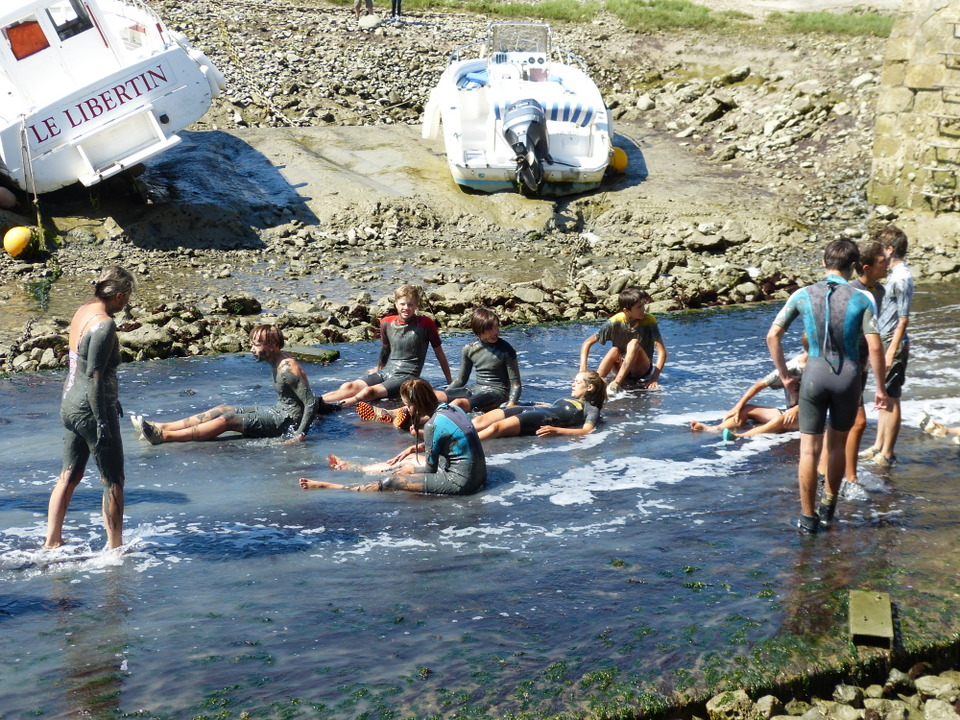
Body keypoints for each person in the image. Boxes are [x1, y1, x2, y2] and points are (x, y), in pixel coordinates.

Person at [767, 239, 888, 535]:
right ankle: (829, 510)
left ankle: (808, 520)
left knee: (809, 450)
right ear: (853, 267)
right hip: (848, 376)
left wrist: (784, 375)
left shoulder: (802, 295)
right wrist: (880, 388)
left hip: (814, 375)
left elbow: (773, 335)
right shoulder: (862, 299)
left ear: (824, 263)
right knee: (836, 447)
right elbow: (874, 346)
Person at [45, 266, 135, 550]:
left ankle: (52, 541)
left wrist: (113, 397)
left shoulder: (83, 310)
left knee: (69, 474)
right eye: (128, 296)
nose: (128, 303)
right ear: (118, 295)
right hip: (91, 408)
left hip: (69, 402)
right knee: (114, 478)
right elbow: (94, 375)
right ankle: (115, 548)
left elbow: (83, 363)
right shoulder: (104, 323)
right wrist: (102, 421)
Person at [132, 324, 317, 444]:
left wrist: (299, 435)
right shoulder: (276, 361)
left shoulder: (287, 369)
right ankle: (163, 426)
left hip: (285, 421)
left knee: (227, 420)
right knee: (223, 409)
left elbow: (310, 402)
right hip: (277, 411)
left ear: (273, 345)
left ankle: (163, 436)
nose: (252, 349)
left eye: (257, 345)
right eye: (252, 344)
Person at [300, 378, 486, 495]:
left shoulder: (432, 425)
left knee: (394, 480)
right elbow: (452, 441)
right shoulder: (454, 409)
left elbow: (429, 470)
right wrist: (414, 448)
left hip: (461, 483)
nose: (406, 409)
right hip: (479, 476)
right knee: (410, 460)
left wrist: (409, 473)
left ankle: (334, 487)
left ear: (416, 404)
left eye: (407, 405)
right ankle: (355, 467)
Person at [356, 307, 522, 425]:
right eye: (489, 329)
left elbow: (515, 383)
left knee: (459, 403)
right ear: (478, 331)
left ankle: (420, 421)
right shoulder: (469, 349)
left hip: (497, 392)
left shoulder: (506, 349)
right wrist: (446, 392)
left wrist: (512, 403)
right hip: (476, 388)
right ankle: (392, 414)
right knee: (435, 396)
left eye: (496, 327)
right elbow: (461, 379)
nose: (495, 332)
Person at [818, 240, 888, 485]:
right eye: (883, 262)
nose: (888, 266)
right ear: (864, 266)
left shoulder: (878, 291)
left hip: (860, 365)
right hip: (849, 365)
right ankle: (848, 476)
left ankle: (825, 470)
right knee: (856, 422)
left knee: (844, 423)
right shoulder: (856, 293)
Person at [322, 285, 451, 409]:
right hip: (387, 371)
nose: (406, 308)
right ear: (396, 304)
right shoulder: (386, 322)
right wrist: (378, 369)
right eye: (402, 304)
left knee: (368, 392)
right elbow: (385, 349)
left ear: (416, 305)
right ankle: (316, 400)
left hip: (407, 375)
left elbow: (439, 353)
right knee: (348, 386)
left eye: (410, 304)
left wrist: (450, 382)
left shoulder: (425, 324)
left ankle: (333, 407)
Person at [860, 225, 914, 468]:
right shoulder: (893, 275)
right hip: (884, 340)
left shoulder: (901, 278)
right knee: (884, 397)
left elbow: (903, 319)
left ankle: (888, 452)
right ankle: (878, 445)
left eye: (881, 249)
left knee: (892, 397)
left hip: (894, 341)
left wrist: (891, 349)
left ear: (890, 249)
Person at [690, 339, 807, 438]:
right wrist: (737, 406)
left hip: (811, 417)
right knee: (747, 409)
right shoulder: (792, 366)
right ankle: (716, 429)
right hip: (790, 412)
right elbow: (759, 385)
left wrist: (798, 408)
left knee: (779, 420)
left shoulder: (821, 368)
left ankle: (739, 436)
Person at [580, 287, 667, 394]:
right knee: (614, 350)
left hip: (641, 370)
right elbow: (587, 343)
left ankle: (616, 384)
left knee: (633, 343)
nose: (643, 309)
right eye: (639, 307)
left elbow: (662, 351)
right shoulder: (614, 322)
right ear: (626, 310)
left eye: (643, 305)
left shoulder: (649, 320)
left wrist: (654, 378)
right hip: (621, 366)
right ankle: (595, 383)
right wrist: (583, 368)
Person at [472, 371, 605, 440]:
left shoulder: (591, 409)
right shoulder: (565, 399)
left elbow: (586, 431)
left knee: (496, 428)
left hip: (540, 418)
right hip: (533, 410)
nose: (573, 384)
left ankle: (461, 445)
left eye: (577, 382)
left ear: (589, 387)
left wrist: (557, 431)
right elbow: (552, 407)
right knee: (479, 420)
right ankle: (453, 433)